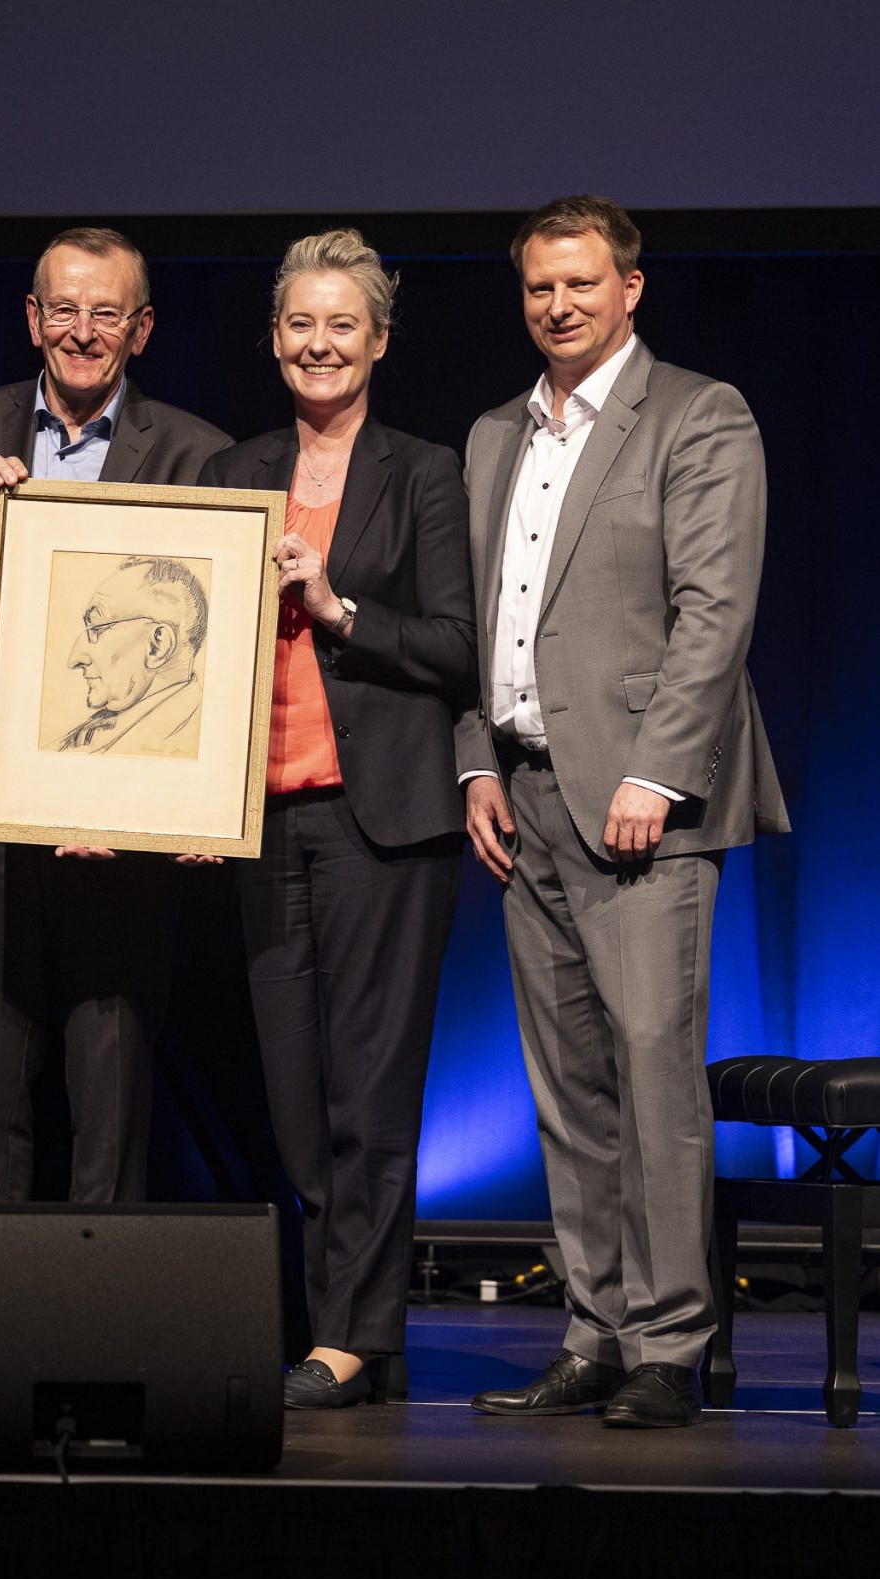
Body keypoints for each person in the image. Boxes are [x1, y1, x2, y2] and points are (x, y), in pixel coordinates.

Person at [457, 197, 788, 1429]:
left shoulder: (698, 414)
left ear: (628, 288)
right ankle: (592, 1330)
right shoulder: (493, 434)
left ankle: (667, 1343)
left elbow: (713, 612)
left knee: (652, 1079)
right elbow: (472, 626)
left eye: (580, 285)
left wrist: (656, 773)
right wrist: (471, 764)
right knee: (566, 1092)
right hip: (525, 793)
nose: (557, 306)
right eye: (538, 287)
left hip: (641, 803)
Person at [0, 226, 230, 1205]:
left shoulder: (196, 452)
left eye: (105, 312)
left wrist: (176, 807)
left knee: (111, 1085)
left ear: (142, 329)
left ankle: (101, 1326)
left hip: (123, 817)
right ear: (32, 319)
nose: (82, 330)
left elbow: (211, 656)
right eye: (63, 309)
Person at [194, 230, 476, 1410]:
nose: (319, 344)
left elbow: (458, 646)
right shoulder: (228, 473)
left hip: (381, 826)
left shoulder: (422, 471)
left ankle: (348, 1336)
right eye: (299, 325)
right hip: (260, 822)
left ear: (377, 342)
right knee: (295, 1101)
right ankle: (357, 1329)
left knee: (370, 1091)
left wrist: (335, 607)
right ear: (273, 338)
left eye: (341, 326)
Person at [58, 556, 208, 756]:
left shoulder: (176, 747)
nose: (74, 659)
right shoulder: (95, 730)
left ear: (157, 646)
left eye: (96, 629)